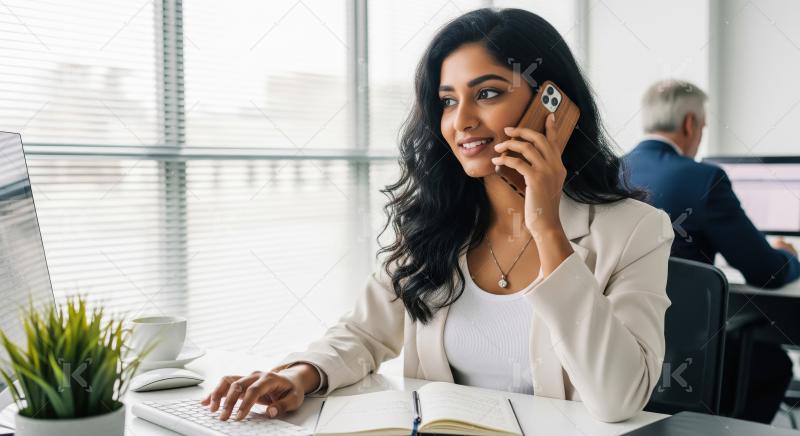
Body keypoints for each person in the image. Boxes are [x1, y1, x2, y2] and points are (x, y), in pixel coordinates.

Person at [202, 8, 674, 423]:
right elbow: (365, 333)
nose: (461, 120)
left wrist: (546, 226)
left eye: (487, 93)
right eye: (448, 100)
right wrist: (302, 375)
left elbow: (619, 399)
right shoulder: (435, 222)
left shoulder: (634, 231)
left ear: (552, 106)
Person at [623, 79, 798, 423]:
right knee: (774, 363)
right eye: (702, 125)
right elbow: (767, 273)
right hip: (687, 355)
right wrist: (789, 256)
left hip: (622, 348)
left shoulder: (606, 171)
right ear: (690, 123)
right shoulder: (704, 179)